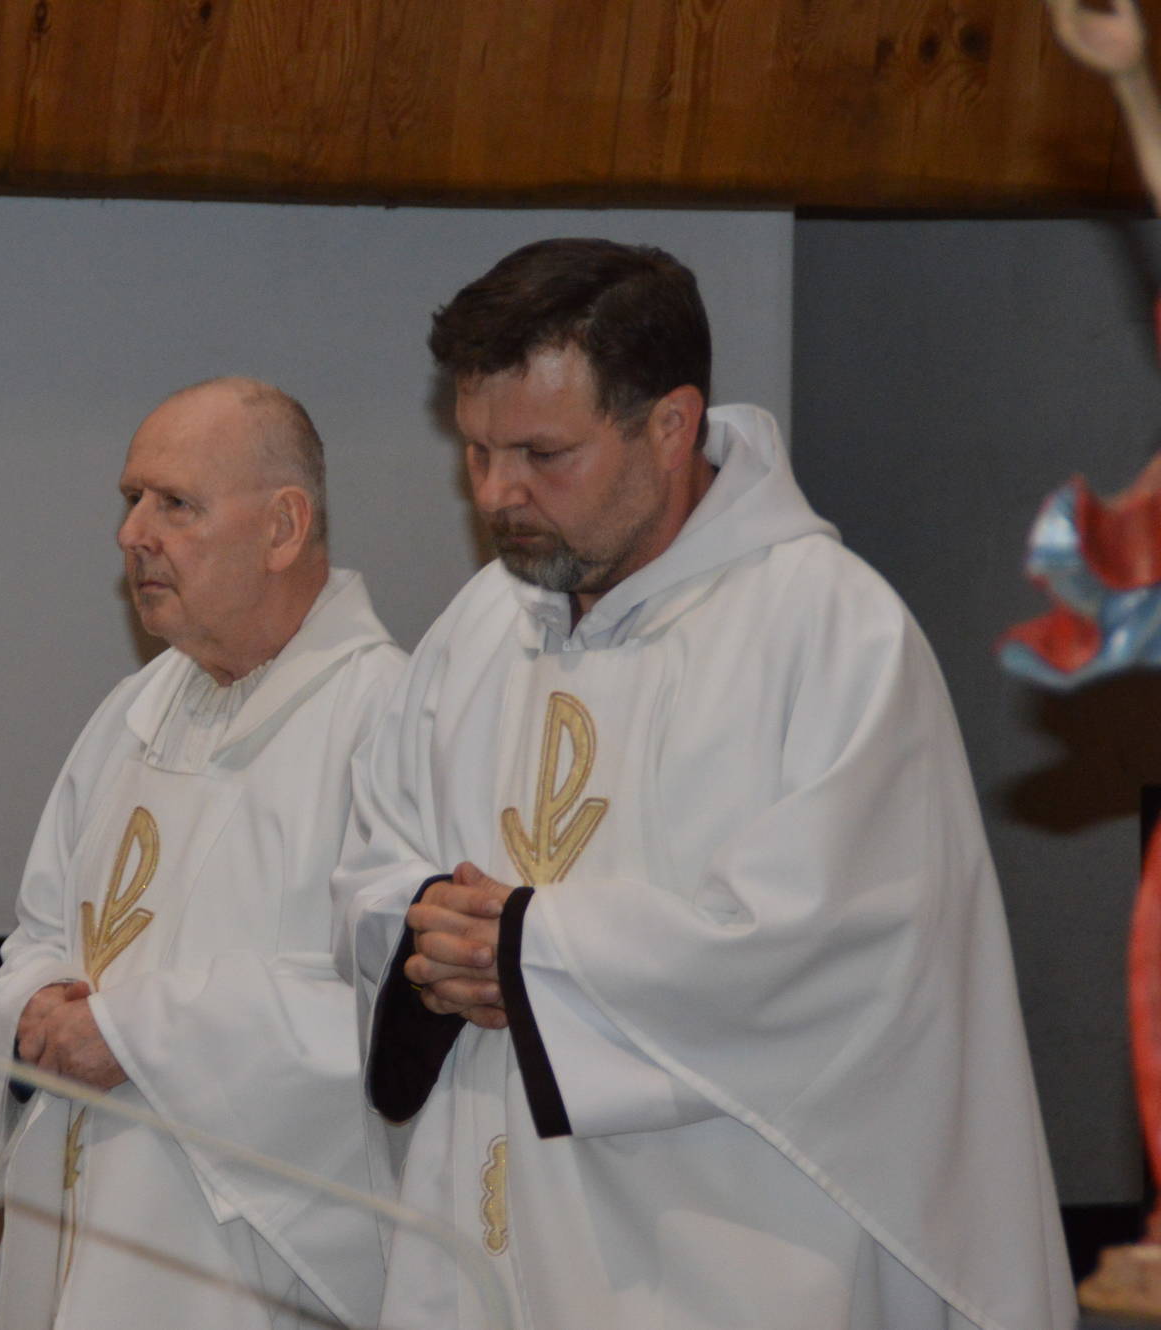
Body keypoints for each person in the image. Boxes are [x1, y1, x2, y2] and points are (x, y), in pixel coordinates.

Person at [334, 239, 1076, 1330]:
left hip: (732, 1249)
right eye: (477, 451)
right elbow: (376, 853)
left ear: (671, 425)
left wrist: (527, 948)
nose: (497, 493)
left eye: (543, 453)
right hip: (493, 1215)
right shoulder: (480, 627)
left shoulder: (826, 629)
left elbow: (833, 953)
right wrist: (420, 923)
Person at [0, 377, 403, 1329]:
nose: (132, 534)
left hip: (253, 1267)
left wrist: (137, 1034)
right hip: (92, 1216)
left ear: (283, 528)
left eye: (175, 504)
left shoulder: (387, 721)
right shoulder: (134, 712)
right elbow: (40, 931)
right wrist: (38, 1000)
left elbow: (394, 1013)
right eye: (132, 500)